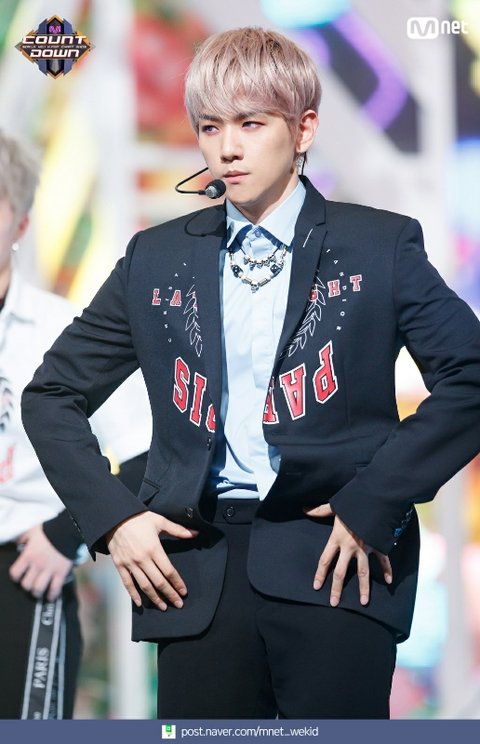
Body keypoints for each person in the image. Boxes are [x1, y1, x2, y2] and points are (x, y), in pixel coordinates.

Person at [22, 27, 480, 719]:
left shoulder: (377, 245)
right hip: (193, 575)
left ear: (304, 129)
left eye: (251, 124)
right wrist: (113, 519)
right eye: (210, 127)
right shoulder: (155, 258)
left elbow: (469, 377)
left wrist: (375, 499)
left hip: (337, 563)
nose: (226, 148)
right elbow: (52, 394)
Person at [0, 130, 150, 719]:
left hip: (24, 575)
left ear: (20, 224)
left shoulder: (61, 331)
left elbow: (146, 457)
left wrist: (68, 536)